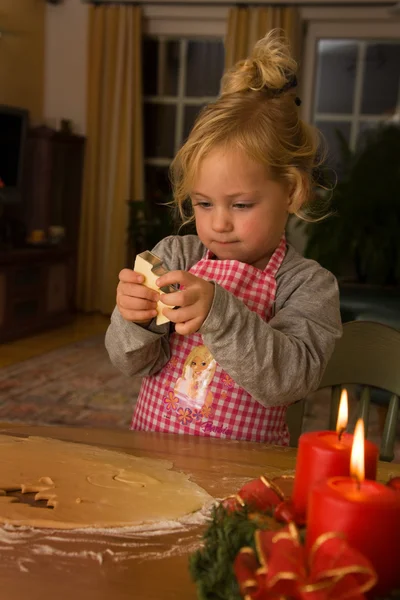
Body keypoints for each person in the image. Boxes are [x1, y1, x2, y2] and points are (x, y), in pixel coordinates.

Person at [105, 30, 342, 445]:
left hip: (244, 477)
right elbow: (131, 363)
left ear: (292, 190)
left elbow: (287, 382)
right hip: (154, 461)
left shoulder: (307, 285)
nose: (219, 224)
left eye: (241, 205)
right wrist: (134, 321)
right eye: (204, 204)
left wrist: (219, 312)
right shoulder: (176, 254)